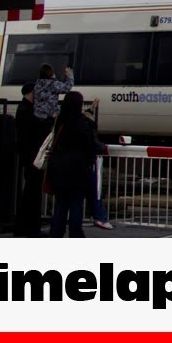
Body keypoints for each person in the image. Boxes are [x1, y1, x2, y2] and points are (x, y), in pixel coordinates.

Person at [45, 92, 106, 238]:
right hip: (77, 171)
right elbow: (91, 143)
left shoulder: (60, 119)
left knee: (60, 206)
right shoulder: (83, 123)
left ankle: (56, 234)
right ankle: (75, 235)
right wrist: (91, 120)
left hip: (59, 170)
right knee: (76, 206)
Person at [14, 81, 48, 237]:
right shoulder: (25, 111)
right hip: (32, 157)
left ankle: (27, 227)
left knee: (31, 192)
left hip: (30, 156)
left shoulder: (25, 109)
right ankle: (30, 228)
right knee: (32, 193)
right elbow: (38, 127)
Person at [82, 97, 113, 230]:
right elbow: (95, 144)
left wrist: (91, 110)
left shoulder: (64, 120)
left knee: (67, 199)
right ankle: (100, 217)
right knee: (95, 191)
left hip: (67, 166)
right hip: (85, 164)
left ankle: (59, 227)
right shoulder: (86, 125)